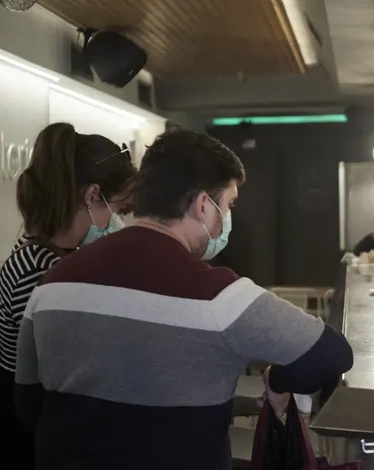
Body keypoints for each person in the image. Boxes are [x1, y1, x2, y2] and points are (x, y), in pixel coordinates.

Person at [15, 130, 353, 470]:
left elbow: (28, 401)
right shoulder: (221, 297)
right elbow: (332, 355)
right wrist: (277, 381)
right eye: (228, 204)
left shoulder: (52, 283)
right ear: (203, 205)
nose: (227, 216)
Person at [0, 123, 135, 470]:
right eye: (117, 209)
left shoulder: (37, 254)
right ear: (92, 195)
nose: (117, 221)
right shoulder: (43, 273)